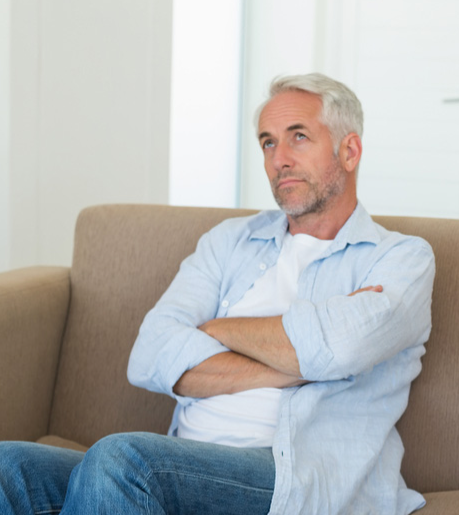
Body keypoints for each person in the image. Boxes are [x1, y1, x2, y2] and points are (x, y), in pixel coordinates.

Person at [0, 73, 435, 514]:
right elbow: (150, 355)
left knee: (122, 461)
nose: (279, 159)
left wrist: (213, 331)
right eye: (267, 142)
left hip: (294, 477)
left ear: (350, 151)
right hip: (184, 464)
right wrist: (303, 364)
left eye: (298, 137)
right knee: (7, 465)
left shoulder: (401, 258)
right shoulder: (230, 241)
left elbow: (340, 349)